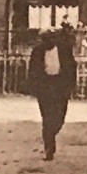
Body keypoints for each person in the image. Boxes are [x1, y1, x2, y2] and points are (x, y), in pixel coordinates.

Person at [28, 26, 77, 161]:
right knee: (47, 117)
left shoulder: (65, 51)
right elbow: (32, 71)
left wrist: (70, 87)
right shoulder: (37, 52)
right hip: (45, 88)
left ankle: (52, 134)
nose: (48, 42)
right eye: (45, 39)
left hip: (60, 87)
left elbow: (72, 68)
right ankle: (49, 147)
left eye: (51, 38)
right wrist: (35, 89)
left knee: (59, 118)